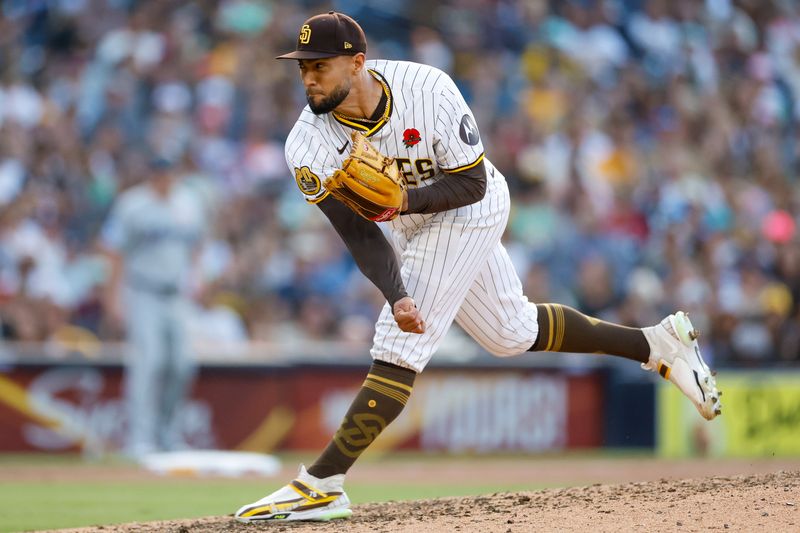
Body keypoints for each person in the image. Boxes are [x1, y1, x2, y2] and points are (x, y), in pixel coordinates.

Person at [235, 11, 722, 522]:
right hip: (409, 227)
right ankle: (656, 344)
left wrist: (403, 200)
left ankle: (322, 482)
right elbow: (357, 231)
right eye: (302, 67)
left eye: (320, 65)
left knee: (400, 344)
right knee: (510, 333)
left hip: (471, 208)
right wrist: (395, 291)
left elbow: (472, 184)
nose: (308, 77)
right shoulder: (305, 144)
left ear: (357, 63)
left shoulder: (427, 87)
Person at [100, 157, 206, 458]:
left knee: (182, 364)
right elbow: (114, 251)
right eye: (160, 173)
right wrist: (113, 298)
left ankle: (169, 436)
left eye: (169, 173)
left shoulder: (188, 202)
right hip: (142, 291)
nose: (165, 179)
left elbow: (197, 245)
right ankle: (139, 439)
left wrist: (197, 277)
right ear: (152, 175)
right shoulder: (132, 204)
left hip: (176, 294)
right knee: (149, 363)